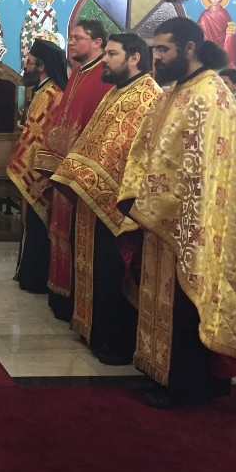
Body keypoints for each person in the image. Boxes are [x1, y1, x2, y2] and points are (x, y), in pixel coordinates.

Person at [118, 17, 236, 408]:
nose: (156, 57)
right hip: (163, 217)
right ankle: (159, 373)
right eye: (154, 49)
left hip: (195, 223)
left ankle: (186, 386)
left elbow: (208, 171)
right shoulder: (175, 92)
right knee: (163, 300)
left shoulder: (210, 95)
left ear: (189, 48)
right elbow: (147, 148)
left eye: (163, 49)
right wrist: (142, 195)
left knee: (187, 306)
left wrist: (175, 208)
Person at [51, 33, 162, 365]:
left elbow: (124, 151)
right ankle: (94, 331)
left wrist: (83, 177)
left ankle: (114, 343)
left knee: (112, 271)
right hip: (94, 197)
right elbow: (93, 139)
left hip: (118, 204)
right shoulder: (116, 92)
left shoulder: (145, 96)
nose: (105, 60)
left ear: (134, 58)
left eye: (112, 54)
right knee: (97, 268)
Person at [36, 20, 113, 322]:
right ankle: (60, 298)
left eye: (78, 38)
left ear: (97, 42)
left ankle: (73, 303)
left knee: (74, 237)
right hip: (62, 169)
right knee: (59, 232)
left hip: (80, 173)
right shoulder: (78, 74)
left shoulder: (104, 77)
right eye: (71, 38)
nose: (71, 43)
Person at [10, 38, 68, 293]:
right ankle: (30, 274)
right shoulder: (44, 91)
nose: (25, 66)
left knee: (38, 224)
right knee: (33, 223)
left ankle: (35, 278)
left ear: (42, 66)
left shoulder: (50, 94)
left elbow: (41, 135)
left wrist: (29, 166)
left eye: (30, 62)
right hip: (37, 166)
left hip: (42, 169)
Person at [196, 0, 236, 69]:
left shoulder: (224, 14)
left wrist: (230, 33)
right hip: (209, 48)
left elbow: (230, 29)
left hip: (223, 46)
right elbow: (199, 33)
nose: (215, 0)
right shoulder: (205, 16)